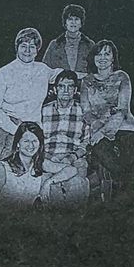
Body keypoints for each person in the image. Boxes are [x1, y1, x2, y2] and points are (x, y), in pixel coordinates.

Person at [0, 27, 52, 177]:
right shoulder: (5, 72)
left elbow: (65, 76)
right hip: (0, 126)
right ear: (17, 48)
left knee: (19, 174)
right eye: (23, 46)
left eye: (32, 46)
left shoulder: (43, 70)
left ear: (37, 50)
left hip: (28, 129)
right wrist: (15, 130)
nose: (27, 50)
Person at [81, 39, 134, 199]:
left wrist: (105, 131)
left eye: (107, 54)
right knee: (118, 171)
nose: (102, 58)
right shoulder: (87, 81)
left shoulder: (122, 77)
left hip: (125, 127)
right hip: (98, 130)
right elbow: (86, 111)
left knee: (129, 172)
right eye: (98, 54)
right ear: (93, 58)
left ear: (113, 58)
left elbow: (122, 109)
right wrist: (99, 129)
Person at [39, 69, 91, 205]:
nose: (66, 90)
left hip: (74, 159)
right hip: (49, 160)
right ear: (55, 90)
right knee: (48, 190)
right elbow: (38, 140)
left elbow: (86, 142)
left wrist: (71, 158)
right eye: (61, 86)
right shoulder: (43, 110)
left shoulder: (84, 112)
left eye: (70, 87)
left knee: (77, 187)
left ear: (75, 90)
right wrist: (48, 158)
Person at [0, 121, 52, 206]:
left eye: (34, 141)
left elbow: (71, 170)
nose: (31, 145)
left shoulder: (39, 165)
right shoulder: (2, 168)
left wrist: (48, 183)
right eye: (26, 141)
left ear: (40, 144)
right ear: (18, 143)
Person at [43, 4, 95, 75]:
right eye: (70, 19)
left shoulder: (90, 45)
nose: (73, 22)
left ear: (81, 23)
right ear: (65, 22)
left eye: (76, 19)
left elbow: (95, 70)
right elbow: (45, 69)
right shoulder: (54, 44)